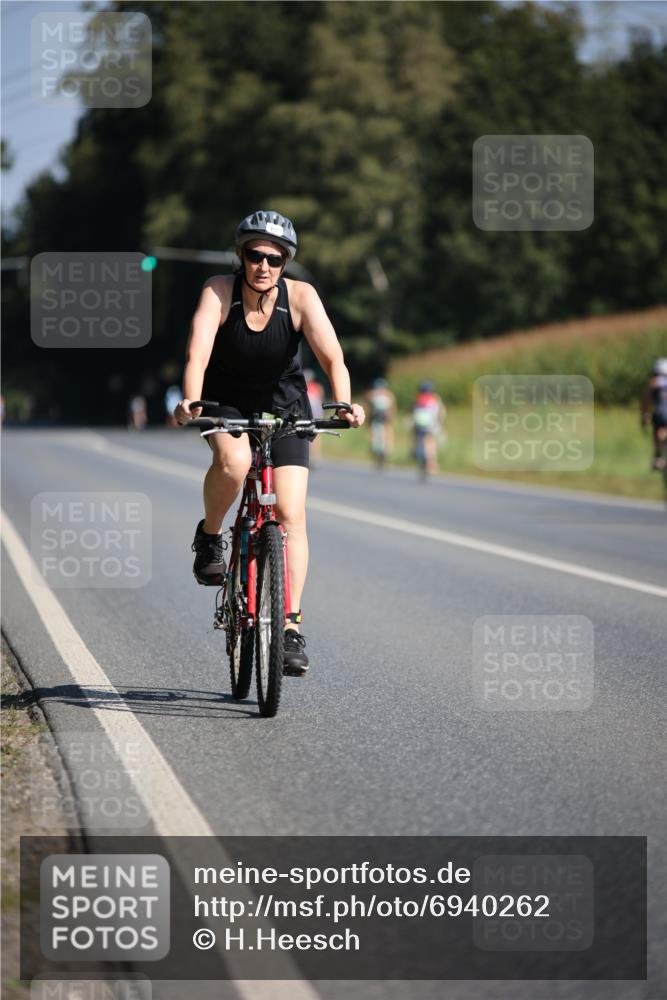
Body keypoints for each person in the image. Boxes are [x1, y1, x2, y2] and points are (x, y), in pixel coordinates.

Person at [174, 210, 365, 675]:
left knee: (290, 514)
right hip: (226, 404)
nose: (264, 266)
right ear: (241, 256)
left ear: (285, 263)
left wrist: (345, 402)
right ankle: (210, 538)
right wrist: (190, 400)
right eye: (256, 255)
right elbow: (198, 352)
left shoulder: (300, 297)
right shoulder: (219, 292)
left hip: (287, 408)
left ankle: (290, 627)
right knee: (235, 463)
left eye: (275, 259)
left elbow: (333, 357)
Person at [412, 380, 445, 476]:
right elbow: (440, 413)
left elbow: (413, 411)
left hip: (419, 425)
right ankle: (432, 464)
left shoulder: (417, 398)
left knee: (417, 438)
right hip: (431, 425)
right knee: (431, 443)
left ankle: (416, 453)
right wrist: (440, 423)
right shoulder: (435, 398)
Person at [641, 358, 667, 471]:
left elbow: (646, 398)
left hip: (661, 414)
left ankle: (658, 456)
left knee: (658, 428)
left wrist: (644, 415)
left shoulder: (655, 382)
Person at [366, 377, 396, 468]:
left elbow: (368, 409)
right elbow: (392, 409)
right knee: (387, 433)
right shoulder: (389, 395)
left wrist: (368, 420)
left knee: (372, 434)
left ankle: (374, 450)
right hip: (385, 419)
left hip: (375, 418)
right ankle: (387, 450)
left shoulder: (371, 394)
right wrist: (391, 418)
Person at [303, 368, 325, 466]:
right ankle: (314, 455)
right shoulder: (317, 387)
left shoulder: (307, 387)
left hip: (312, 414)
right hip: (313, 413)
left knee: (313, 434)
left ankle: (315, 455)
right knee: (315, 434)